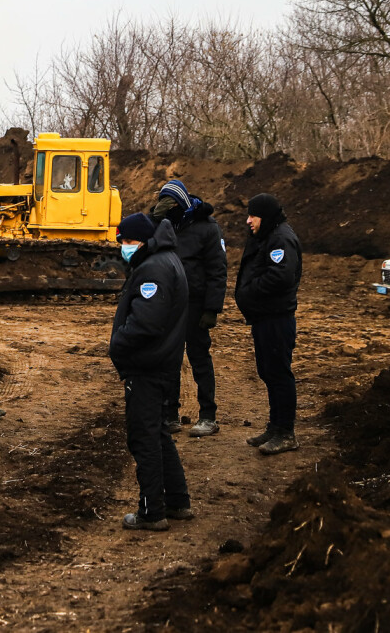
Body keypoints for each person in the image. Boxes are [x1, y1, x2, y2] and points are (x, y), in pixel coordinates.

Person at [110, 210, 192, 531]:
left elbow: (145, 323)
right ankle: (177, 501)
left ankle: (151, 511)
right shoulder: (165, 259)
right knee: (158, 434)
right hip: (161, 363)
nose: (124, 247)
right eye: (123, 242)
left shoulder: (153, 270)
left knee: (144, 438)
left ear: (143, 240)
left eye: (129, 241)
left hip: (147, 366)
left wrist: (118, 344)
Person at [152, 180, 227, 437]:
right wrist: (155, 220)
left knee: (199, 359)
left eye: (169, 203)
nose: (166, 208)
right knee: (169, 360)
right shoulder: (165, 225)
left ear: (180, 203)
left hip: (195, 305)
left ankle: (208, 416)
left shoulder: (207, 228)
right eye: (162, 203)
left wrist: (212, 309)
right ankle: (170, 414)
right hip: (168, 304)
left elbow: (218, 271)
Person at [235, 193, 303, 456]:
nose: (248, 221)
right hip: (265, 318)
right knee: (268, 372)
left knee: (278, 374)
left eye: (253, 215)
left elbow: (281, 276)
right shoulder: (268, 236)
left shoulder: (281, 239)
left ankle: (286, 433)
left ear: (265, 216)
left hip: (277, 318)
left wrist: (250, 291)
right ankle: (275, 426)